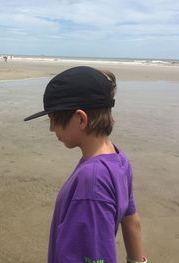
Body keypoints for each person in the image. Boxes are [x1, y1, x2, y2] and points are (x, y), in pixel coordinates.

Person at [24, 66, 146, 263]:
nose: (51, 128)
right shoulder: (120, 160)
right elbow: (132, 223)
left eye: (54, 119)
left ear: (81, 119)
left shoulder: (93, 180)